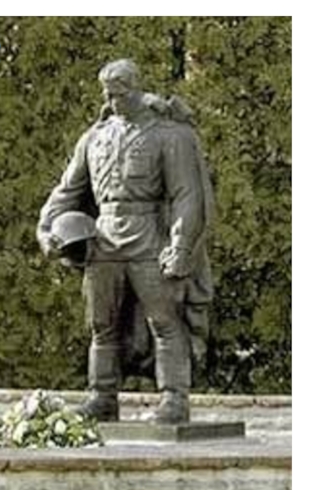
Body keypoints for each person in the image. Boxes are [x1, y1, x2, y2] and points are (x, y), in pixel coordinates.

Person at [37, 59, 213, 424]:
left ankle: (174, 398)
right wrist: (47, 228)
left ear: (136, 89)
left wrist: (180, 245)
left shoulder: (169, 136)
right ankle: (102, 396)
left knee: (164, 321)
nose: (112, 101)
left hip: (149, 237)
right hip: (102, 239)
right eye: (107, 94)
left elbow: (187, 195)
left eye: (119, 93)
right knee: (101, 325)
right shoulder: (95, 137)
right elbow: (67, 190)